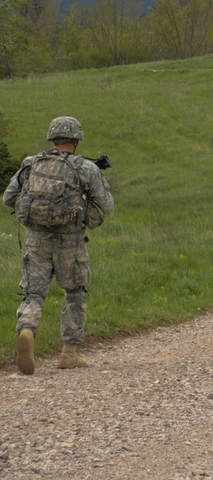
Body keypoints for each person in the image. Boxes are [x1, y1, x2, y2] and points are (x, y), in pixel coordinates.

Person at [4, 116, 115, 375]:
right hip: (71, 242)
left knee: (33, 294)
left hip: (36, 241)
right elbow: (107, 206)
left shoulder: (31, 164)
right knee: (75, 294)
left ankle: (27, 331)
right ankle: (69, 353)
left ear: (52, 139)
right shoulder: (86, 168)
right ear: (76, 140)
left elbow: (8, 198)